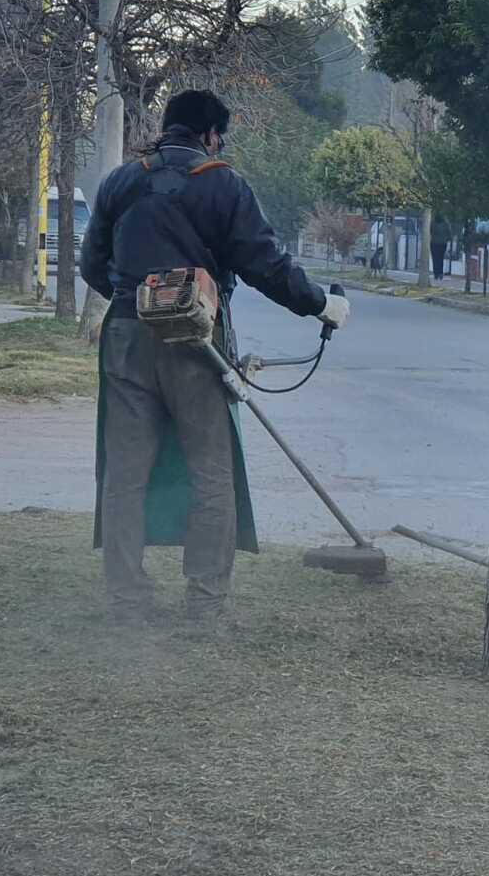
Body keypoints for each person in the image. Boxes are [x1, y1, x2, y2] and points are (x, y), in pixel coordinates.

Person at [80, 89, 350, 626]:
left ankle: (126, 602)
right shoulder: (223, 183)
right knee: (211, 472)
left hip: (127, 339)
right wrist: (322, 304)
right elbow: (265, 266)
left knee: (125, 476)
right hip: (196, 344)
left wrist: (142, 302)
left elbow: (93, 265)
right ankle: (204, 605)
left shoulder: (121, 180)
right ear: (210, 134)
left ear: (167, 126)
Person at [430, 216, 452, 281]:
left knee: (435, 259)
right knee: (440, 258)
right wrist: (447, 239)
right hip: (443, 243)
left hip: (434, 242)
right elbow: (449, 233)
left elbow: (430, 231)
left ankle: (436, 273)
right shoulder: (446, 223)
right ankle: (440, 273)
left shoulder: (433, 222)